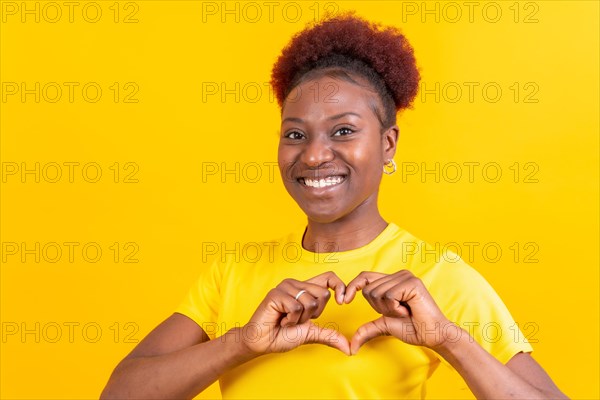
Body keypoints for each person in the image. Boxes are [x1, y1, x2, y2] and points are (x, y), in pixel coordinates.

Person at [101, 13, 568, 399]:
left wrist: (448, 338)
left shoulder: (436, 276)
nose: (314, 154)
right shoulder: (235, 271)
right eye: (295, 134)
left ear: (388, 144)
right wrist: (240, 343)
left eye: (343, 130)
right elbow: (119, 394)